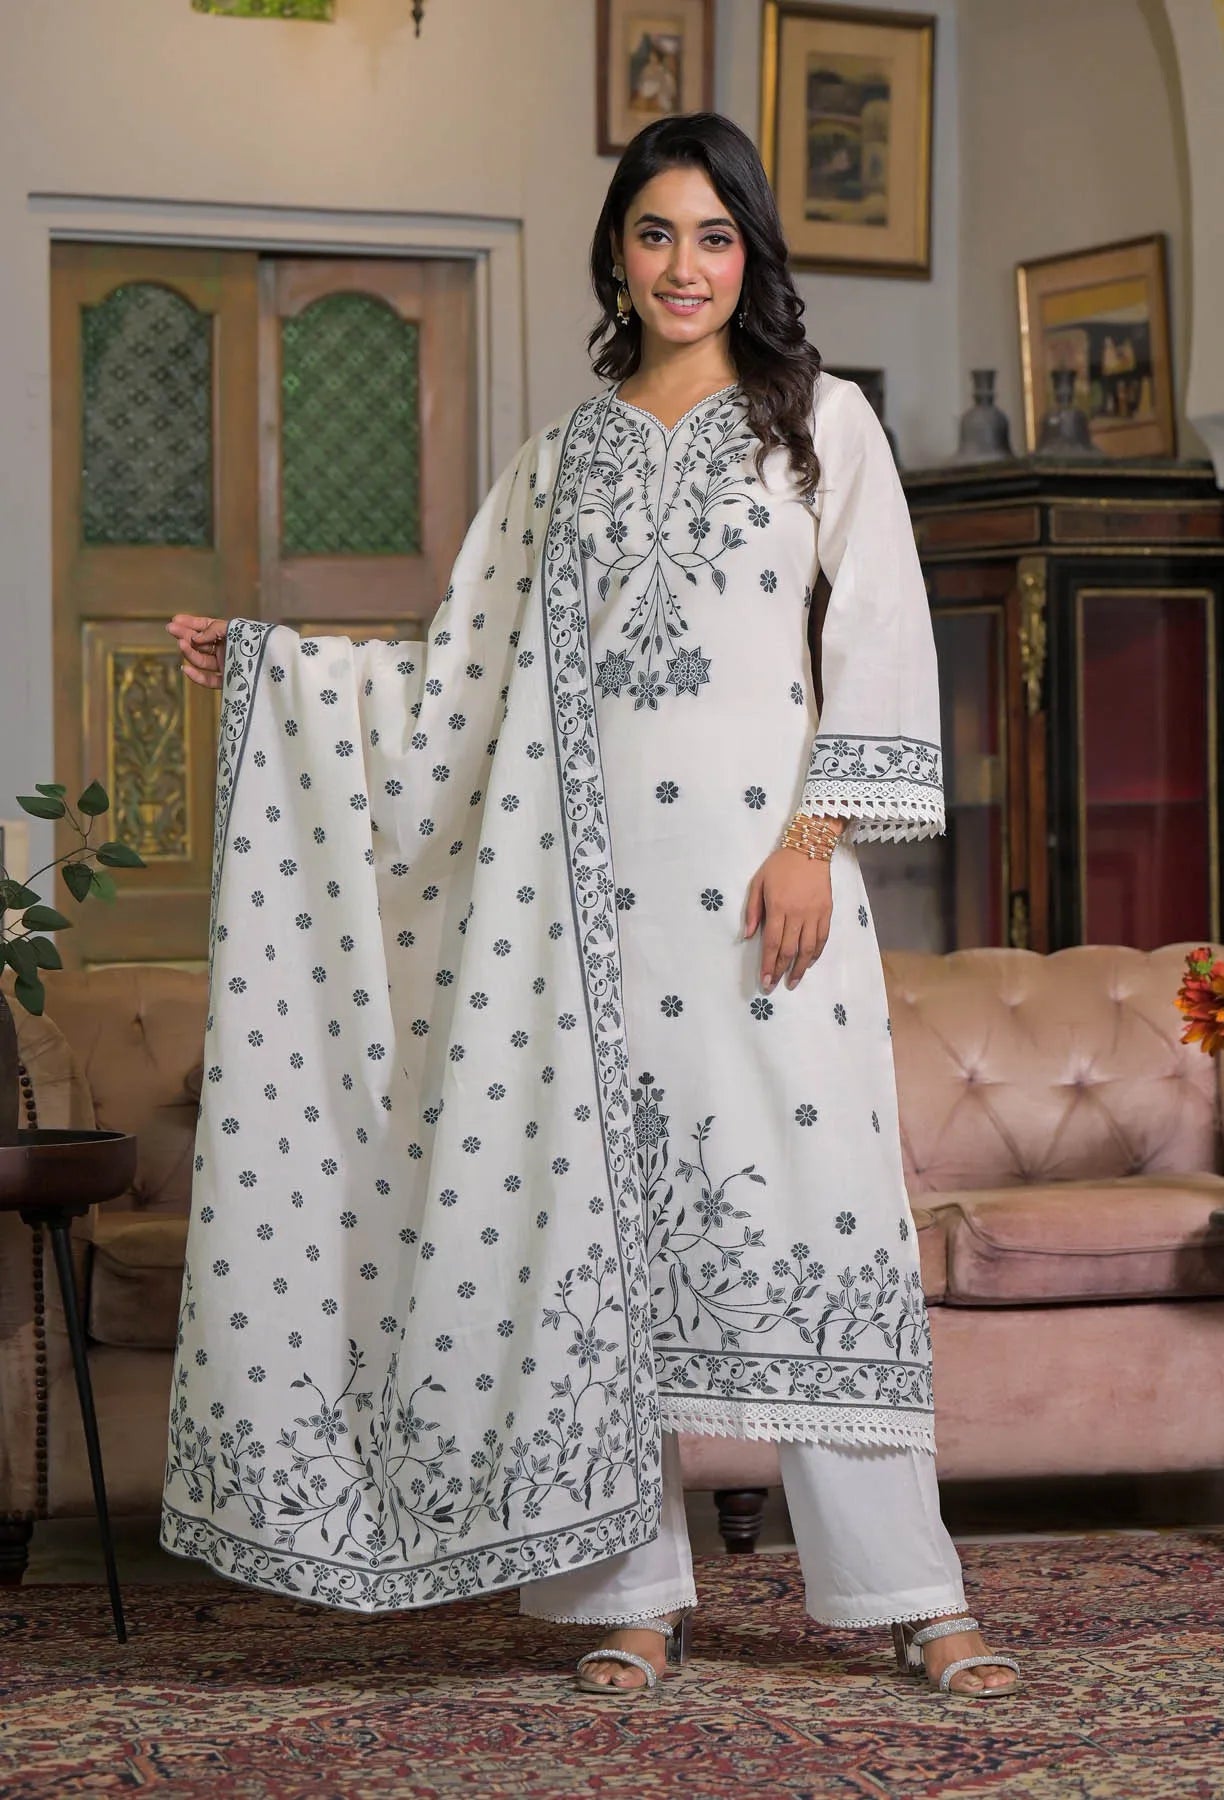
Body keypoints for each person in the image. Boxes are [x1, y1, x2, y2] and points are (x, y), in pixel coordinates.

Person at [164, 112, 1019, 1702]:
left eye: (714, 236)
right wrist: (277, 668)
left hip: (768, 898)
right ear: (615, 254)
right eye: (655, 234)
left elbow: (882, 642)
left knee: (824, 1227)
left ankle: (916, 1592)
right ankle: (633, 1596)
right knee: (588, 1247)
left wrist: (813, 838)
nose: (685, 266)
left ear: (751, 253)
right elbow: (456, 679)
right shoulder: (560, 460)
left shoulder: (819, 425)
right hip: (574, 913)